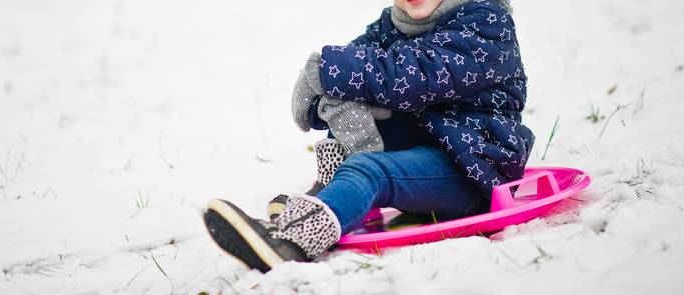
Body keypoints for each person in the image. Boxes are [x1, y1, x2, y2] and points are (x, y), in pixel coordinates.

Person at [203, 0, 534, 273]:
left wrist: (326, 70)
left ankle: (292, 242)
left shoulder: (486, 20)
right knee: (348, 96)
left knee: (369, 169)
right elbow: (358, 63)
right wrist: (324, 95)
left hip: (472, 168)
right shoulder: (396, 22)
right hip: (425, 149)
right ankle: (329, 196)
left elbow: (415, 74)